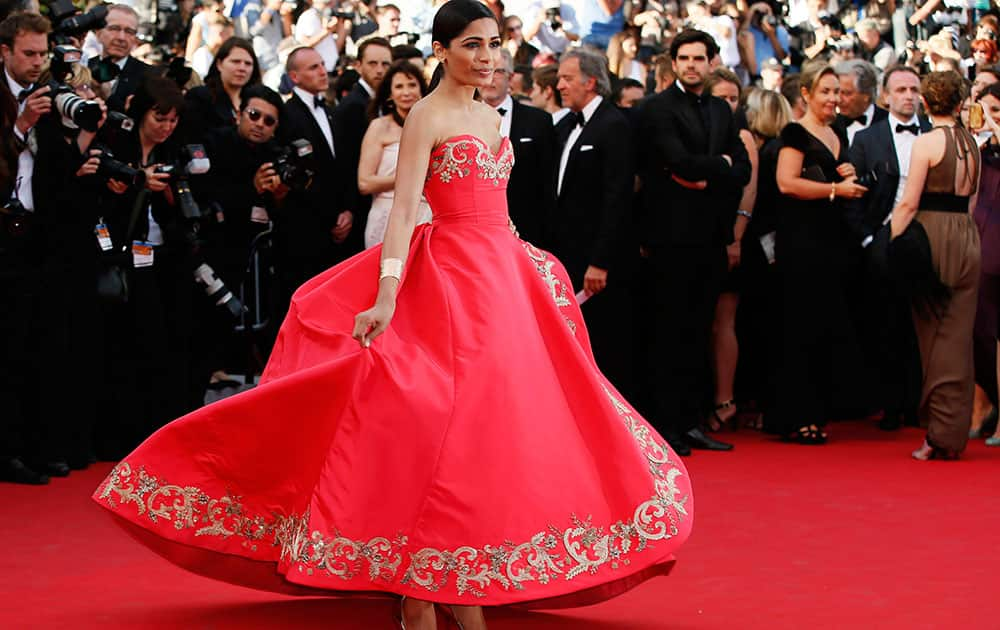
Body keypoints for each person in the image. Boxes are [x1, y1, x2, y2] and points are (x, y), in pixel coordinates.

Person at [93, 3, 693, 628]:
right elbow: (406, 210)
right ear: (441, 49)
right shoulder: (427, 116)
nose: (488, 58)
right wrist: (386, 292)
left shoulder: (493, 116)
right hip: (449, 278)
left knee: (499, 426)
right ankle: (424, 585)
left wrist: (532, 263)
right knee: (430, 418)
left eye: (494, 44)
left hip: (504, 278)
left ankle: (455, 577)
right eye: (472, 45)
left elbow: (499, 206)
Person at [634, 29, 751, 454]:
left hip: (710, 238)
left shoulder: (722, 108)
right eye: (684, 58)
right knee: (669, 333)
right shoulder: (656, 109)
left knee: (700, 330)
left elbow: (741, 168)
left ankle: (691, 422)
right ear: (674, 62)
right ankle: (666, 427)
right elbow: (676, 162)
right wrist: (711, 167)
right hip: (668, 239)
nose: (691, 65)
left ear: (712, 61)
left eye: (699, 58)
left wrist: (709, 172)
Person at [770, 63, 869, 444]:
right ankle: (796, 416)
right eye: (825, 91)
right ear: (807, 94)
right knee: (799, 327)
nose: (833, 99)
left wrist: (845, 176)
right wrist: (834, 190)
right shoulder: (795, 132)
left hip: (830, 241)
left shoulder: (837, 131)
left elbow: (829, 179)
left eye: (837, 92)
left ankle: (817, 411)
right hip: (801, 241)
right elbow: (786, 183)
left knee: (822, 327)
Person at [889, 71, 982, 460]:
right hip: (967, 236)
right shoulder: (972, 143)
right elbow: (972, 202)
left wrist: (887, 241)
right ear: (960, 103)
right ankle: (954, 432)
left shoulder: (927, 142)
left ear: (926, 103)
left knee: (936, 337)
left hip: (933, 236)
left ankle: (939, 437)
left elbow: (909, 203)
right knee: (959, 336)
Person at [846, 65, 929, 432]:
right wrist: (867, 239)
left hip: (930, 238)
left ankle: (925, 405)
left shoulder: (936, 132)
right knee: (888, 325)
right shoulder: (867, 139)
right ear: (886, 96)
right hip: (883, 241)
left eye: (914, 89)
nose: (908, 95)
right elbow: (854, 198)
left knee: (927, 325)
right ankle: (894, 404)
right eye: (901, 90)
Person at [551, 48, 635, 394]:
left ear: (591, 81)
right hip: (567, 255)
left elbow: (617, 198)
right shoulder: (565, 124)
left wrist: (600, 261)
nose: (559, 85)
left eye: (567, 78)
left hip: (598, 264)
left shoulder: (614, 125)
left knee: (604, 346)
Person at [0, 11, 56, 484]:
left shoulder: (54, 91)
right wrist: (20, 127)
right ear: (4, 51)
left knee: (31, 342)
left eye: (43, 53)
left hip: (37, 235)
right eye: (28, 54)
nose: (38, 62)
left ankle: (28, 444)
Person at [703, 68, 758, 432]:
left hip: (731, 239)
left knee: (724, 320)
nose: (728, 104)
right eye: (721, 98)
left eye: (733, 98)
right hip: (700, 236)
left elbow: (748, 193)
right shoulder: (702, 131)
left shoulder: (741, 137)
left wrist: (736, 238)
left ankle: (725, 399)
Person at [275, 47, 349, 315]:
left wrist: (346, 210)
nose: (322, 71)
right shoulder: (287, 115)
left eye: (322, 64)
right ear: (294, 76)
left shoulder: (330, 110)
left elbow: (340, 166)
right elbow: (298, 176)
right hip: (305, 228)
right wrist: (332, 216)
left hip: (337, 226)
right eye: (313, 67)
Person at [483, 48, 555, 245]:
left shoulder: (539, 121)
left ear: (511, 78)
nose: (490, 78)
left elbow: (548, 183)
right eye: (484, 71)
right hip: (477, 229)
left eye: (497, 71)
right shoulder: (459, 119)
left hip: (527, 229)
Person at [359, 60, 432, 248]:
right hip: (387, 216)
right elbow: (365, 183)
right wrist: (410, 178)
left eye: (412, 85)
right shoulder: (379, 127)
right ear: (390, 94)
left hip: (427, 216)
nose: (406, 92)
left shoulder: (434, 126)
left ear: (422, 89)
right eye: (399, 86)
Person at [334, 37, 393, 255]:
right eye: (373, 63)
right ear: (358, 66)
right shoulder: (352, 106)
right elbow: (345, 162)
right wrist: (347, 208)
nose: (379, 70)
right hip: (358, 208)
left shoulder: (384, 104)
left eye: (385, 64)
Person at [972, 82, 1000, 443]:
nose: (989, 118)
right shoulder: (976, 147)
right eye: (984, 110)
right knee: (977, 329)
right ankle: (981, 405)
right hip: (975, 240)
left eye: (998, 110)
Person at [184, 37, 262, 139]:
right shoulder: (200, 97)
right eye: (235, 62)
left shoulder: (257, 102)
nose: (242, 68)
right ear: (219, 64)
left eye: (248, 64)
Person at [89, 5, 153, 113]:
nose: (121, 38)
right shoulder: (84, 67)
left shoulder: (149, 77)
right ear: (98, 33)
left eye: (129, 31)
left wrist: (109, 98)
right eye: (114, 28)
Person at [834, 59, 886, 146]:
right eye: (837, 91)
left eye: (847, 93)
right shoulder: (831, 124)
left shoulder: (888, 122)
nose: (839, 99)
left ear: (866, 94)